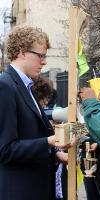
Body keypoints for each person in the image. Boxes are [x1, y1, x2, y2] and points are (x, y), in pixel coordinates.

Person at [0, 25, 65, 200]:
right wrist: (49, 142)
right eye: (41, 56)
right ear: (22, 52)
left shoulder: (26, 86)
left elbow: (30, 136)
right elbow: (5, 150)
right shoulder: (5, 86)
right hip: (20, 191)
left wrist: (57, 154)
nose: (44, 62)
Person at [80, 90, 100, 200]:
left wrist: (99, 144)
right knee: (91, 195)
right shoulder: (87, 117)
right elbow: (80, 137)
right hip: (88, 165)